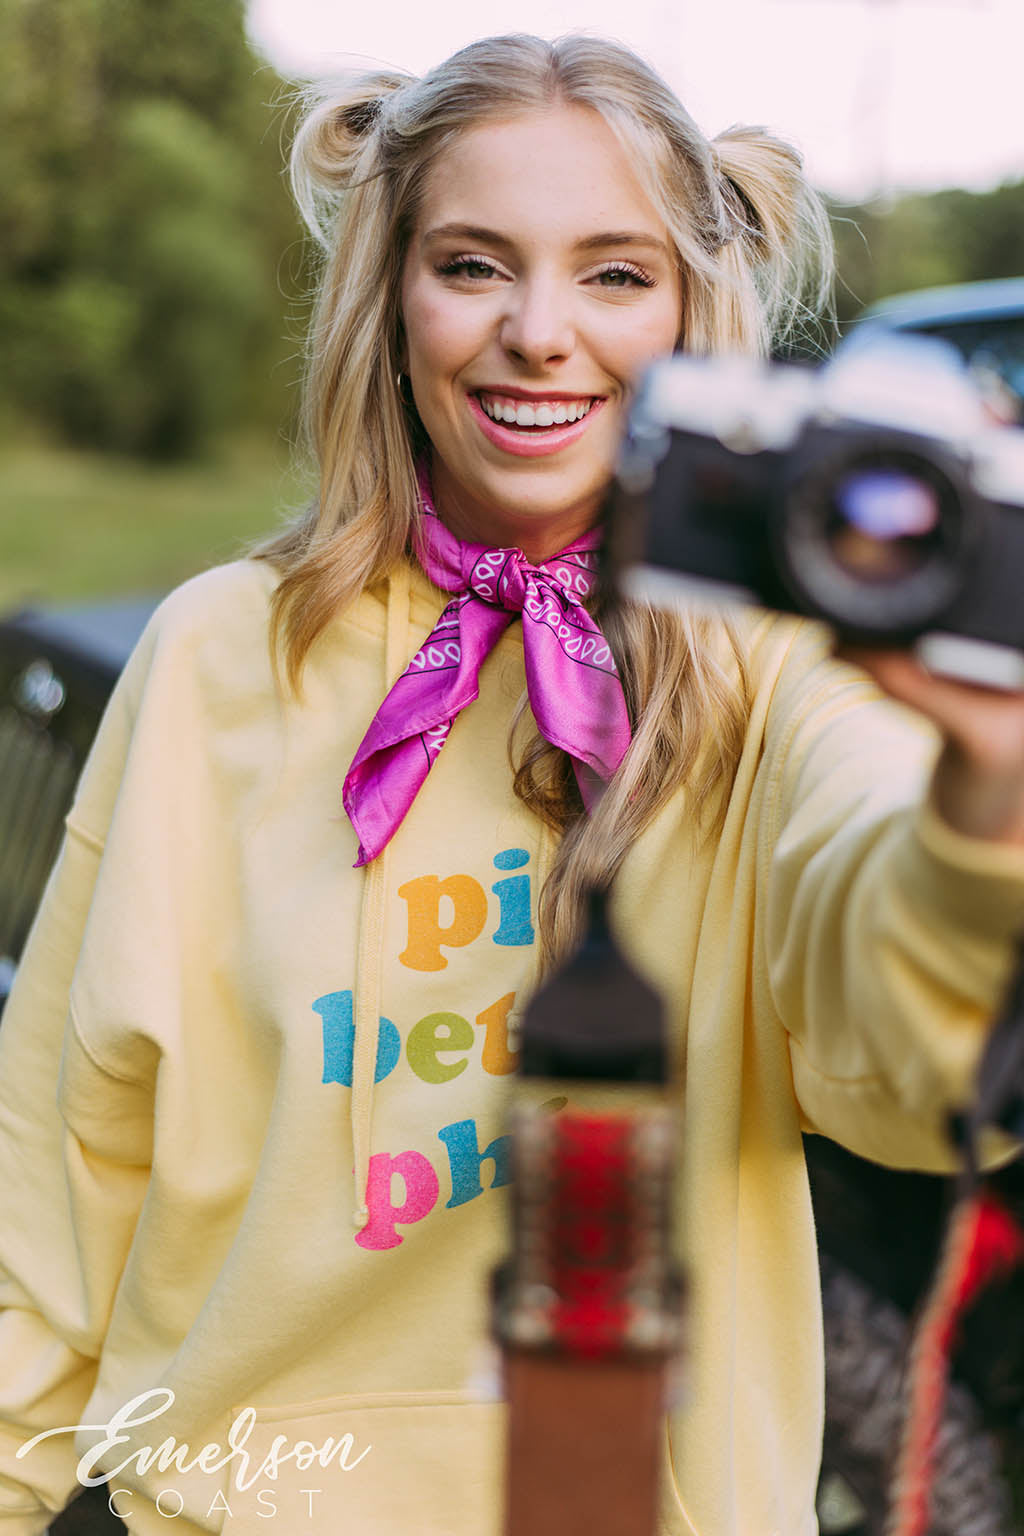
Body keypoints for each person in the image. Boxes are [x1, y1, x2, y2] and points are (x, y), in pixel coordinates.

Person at [2, 31, 1023, 1536]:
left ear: (692, 317)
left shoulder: (774, 679)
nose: (541, 333)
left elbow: (914, 1055)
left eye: (616, 275)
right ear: (392, 296)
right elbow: (63, 1158)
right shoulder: (223, 651)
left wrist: (986, 802)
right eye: (474, 264)